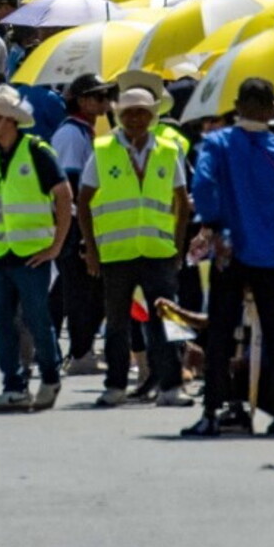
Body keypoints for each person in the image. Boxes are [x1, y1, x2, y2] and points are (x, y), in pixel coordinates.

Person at [184, 77, 274, 437]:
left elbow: (202, 187)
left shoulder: (217, 144)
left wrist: (215, 225)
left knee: (221, 332)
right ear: (271, 110)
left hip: (229, 252)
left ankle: (213, 411)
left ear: (237, 105)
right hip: (270, 254)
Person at [0, 84, 72, 412]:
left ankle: (49, 376)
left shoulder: (37, 151)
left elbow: (64, 196)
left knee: (38, 320)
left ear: (8, 119)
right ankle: (14, 386)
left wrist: (56, 246)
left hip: (32, 255)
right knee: (2, 322)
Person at [79, 86, 192, 408]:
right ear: (119, 116)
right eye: (129, 113)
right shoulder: (103, 149)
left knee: (165, 321)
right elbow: (84, 200)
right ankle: (115, 386)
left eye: (142, 112)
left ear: (152, 115)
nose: (136, 119)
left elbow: (182, 203)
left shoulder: (168, 149)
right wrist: (92, 248)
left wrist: (178, 248)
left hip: (158, 251)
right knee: (117, 324)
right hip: (117, 252)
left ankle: (171, 385)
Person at [51, 73, 112, 375]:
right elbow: (70, 186)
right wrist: (80, 236)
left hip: (88, 223)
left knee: (81, 289)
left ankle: (75, 348)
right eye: (99, 97)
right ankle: (80, 351)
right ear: (83, 100)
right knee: (79, 291)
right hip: (75, 223)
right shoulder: (71, 135)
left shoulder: (89, 131)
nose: (106, 103)